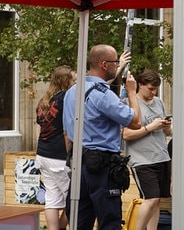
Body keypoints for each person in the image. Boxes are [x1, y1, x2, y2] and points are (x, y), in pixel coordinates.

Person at [63, 44, 142, 229]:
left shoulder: (71, 92)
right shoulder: (103, 95)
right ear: (104, 64)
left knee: (79, 221)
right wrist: (131, 92)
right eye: (115, 62)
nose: (117, 66)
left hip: (78, 165)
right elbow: (135, 122)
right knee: (110, 222)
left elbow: (67, 133)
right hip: (101, 169)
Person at [123, 69, 172, 230]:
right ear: (140, 85)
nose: (153, 92)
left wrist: (167, 126)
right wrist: (150, 127)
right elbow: (126, 134)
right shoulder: (130, 103)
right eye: (150, 88)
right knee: (150, 198)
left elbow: (167, 132)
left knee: (157, 200)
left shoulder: (159, 102)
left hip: (161, 156)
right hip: (141, 160)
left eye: (156, 89)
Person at [35, 66, 76, 230]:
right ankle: (60, 227)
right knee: (74, 197)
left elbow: (38, 128)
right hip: (59, 157)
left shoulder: (44, 100)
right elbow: (67, 131)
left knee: (51, 198)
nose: (76, 83)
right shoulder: (66, 97)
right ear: (66, 81)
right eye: (73, 79)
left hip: (43, 154)